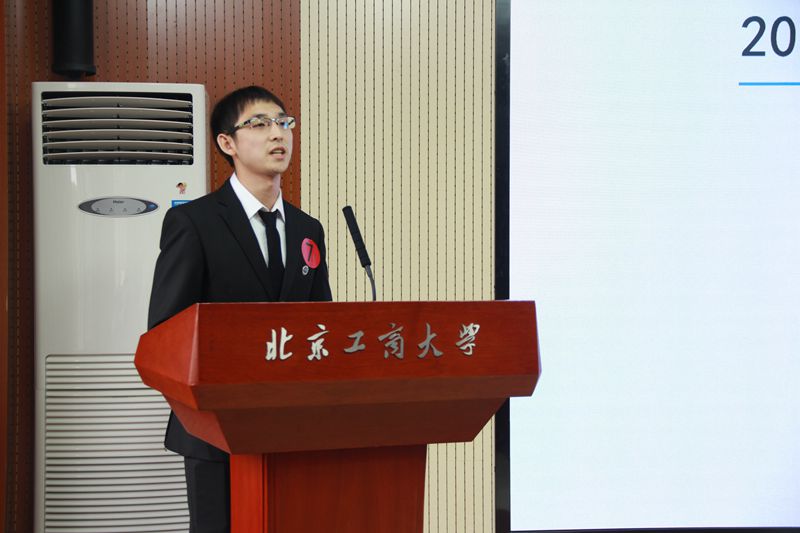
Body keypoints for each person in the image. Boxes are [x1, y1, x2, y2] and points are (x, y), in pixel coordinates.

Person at [147, 85, 333, 533]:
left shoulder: (308, 229)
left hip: (292, 430)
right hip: (215, 432)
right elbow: (166, 334)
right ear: (226, 143)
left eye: (284, 123)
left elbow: (321, 326)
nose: (278, 134)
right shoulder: (194, 223)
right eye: (260, 124)